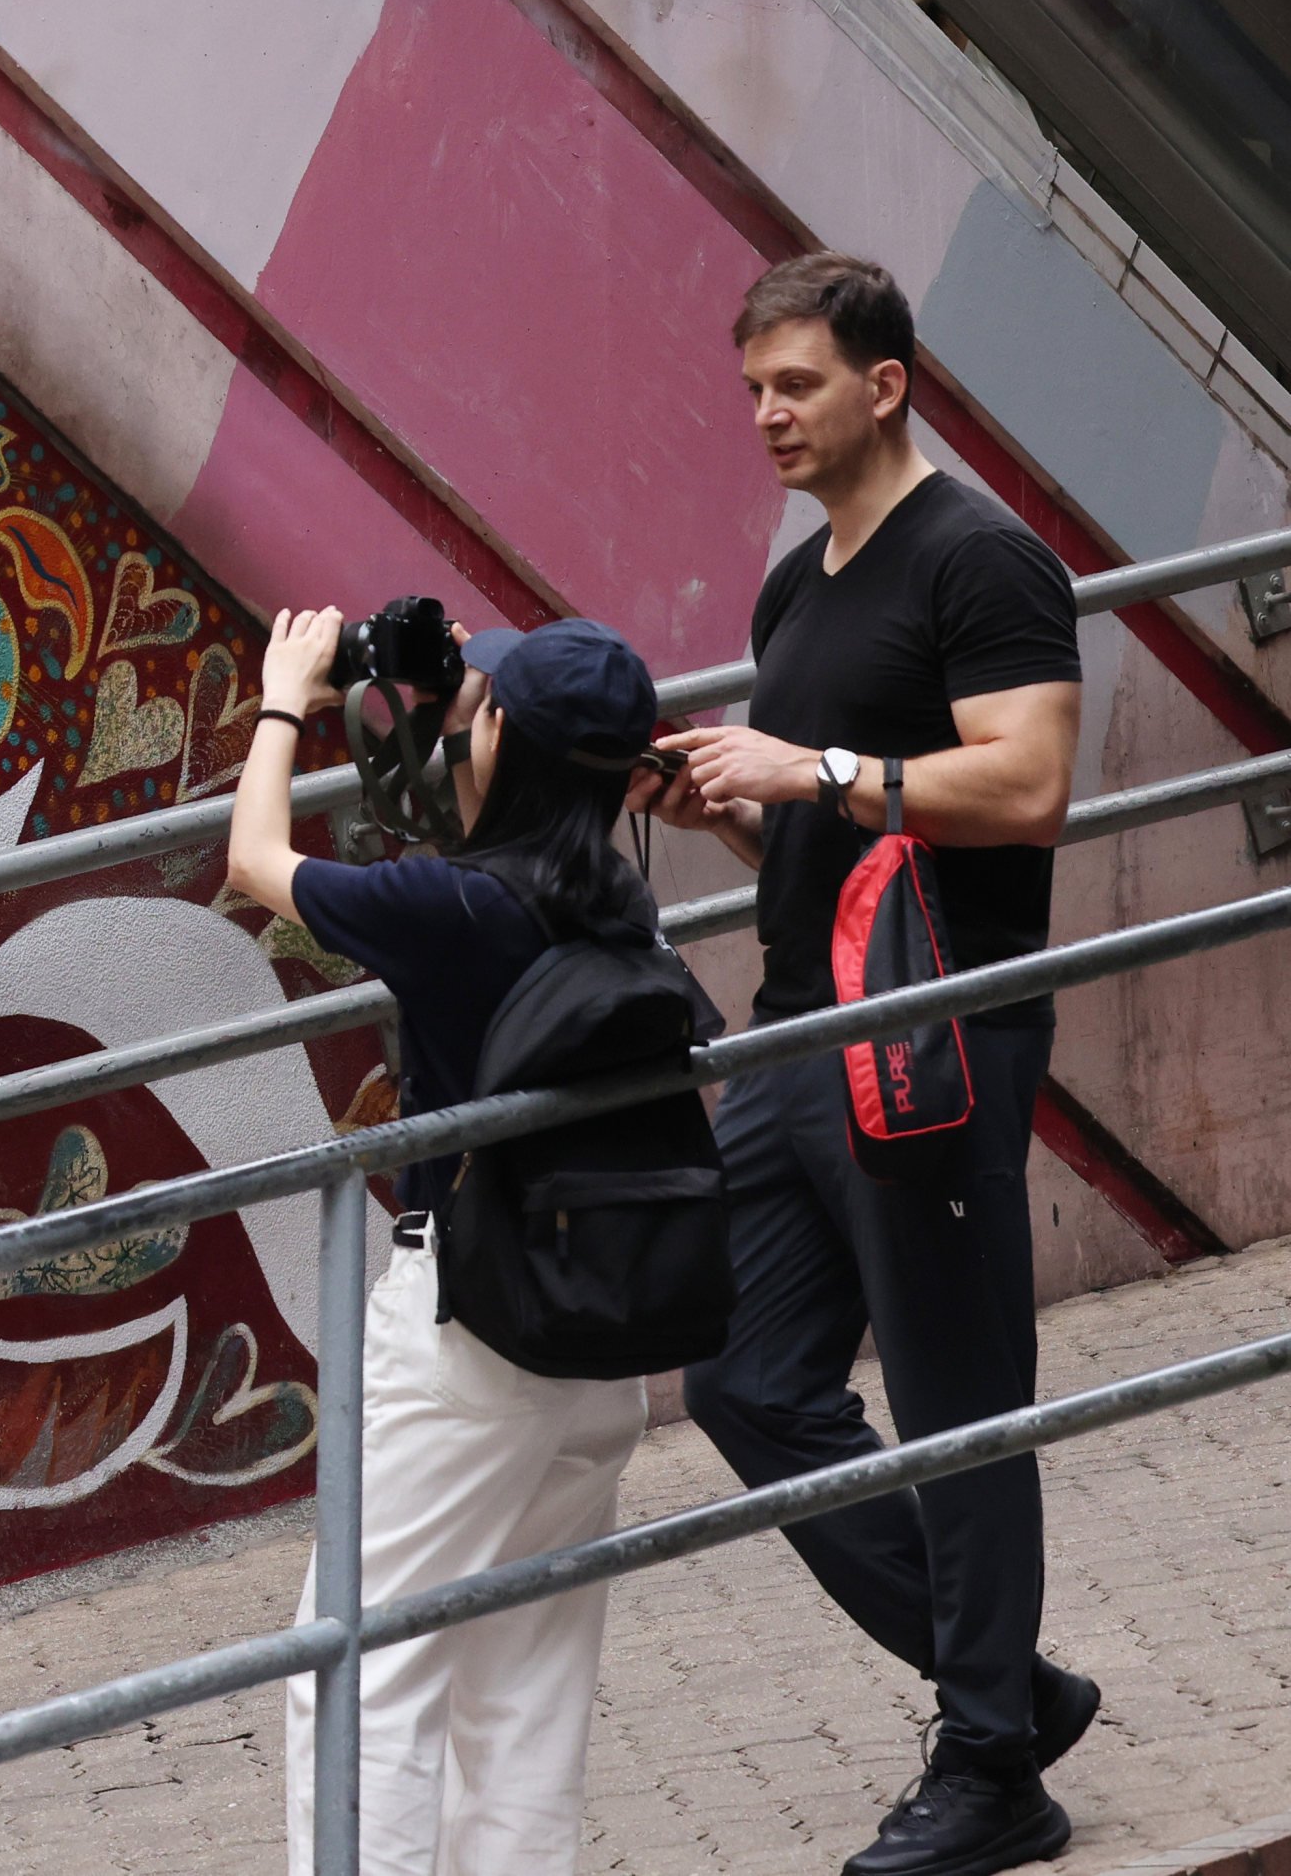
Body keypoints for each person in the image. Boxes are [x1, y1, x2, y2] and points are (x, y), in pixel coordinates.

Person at [647, 252, 1090, 1876]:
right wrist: (745, 805)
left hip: (936, 1034)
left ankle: (992, 1771)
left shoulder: (981, 561)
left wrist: (815, 763)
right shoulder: (799, 584)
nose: (768, 413)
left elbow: (1028, 784)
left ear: (885, 385)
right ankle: (1013, 1693)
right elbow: (829, 817)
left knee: (957, 1403)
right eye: (755, 387)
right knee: (745, 1380)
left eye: (799, 384)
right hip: (791, 1035)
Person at [228, 609, 671, 1876]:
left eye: (477, 709)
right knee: (524, 1691)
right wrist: (450, 716)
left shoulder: (451, 907)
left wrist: (281, 698)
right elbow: (475, 826)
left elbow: (258, 855)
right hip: (598, 1339)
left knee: (353, 1664)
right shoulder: (623, 901)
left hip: (471, 1335)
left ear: (501, 745)